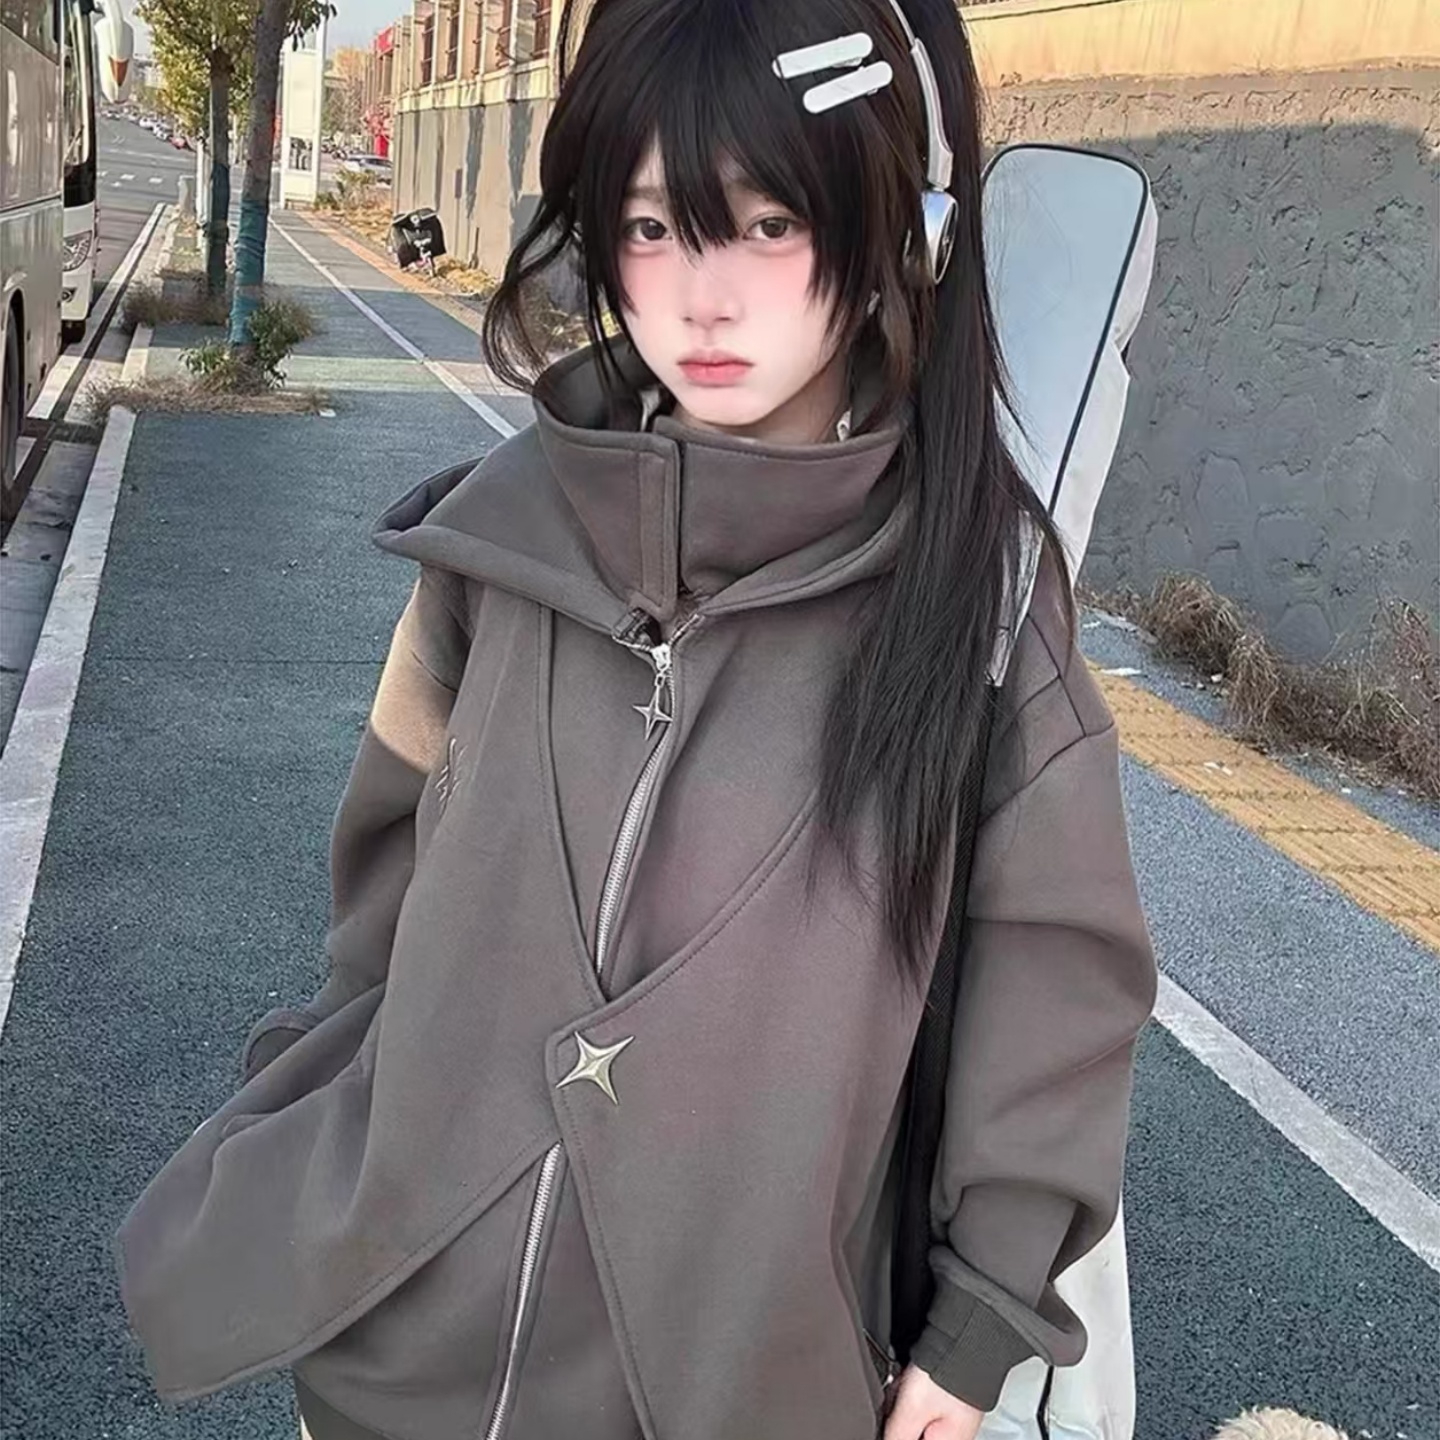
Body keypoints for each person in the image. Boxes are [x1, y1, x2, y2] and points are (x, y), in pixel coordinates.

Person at [113, 1, 1158, 1438]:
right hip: (391, 1365)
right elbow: (381, 909)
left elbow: (1056, 986)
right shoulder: (496, 542)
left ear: (900, 235)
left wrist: (978, 1323)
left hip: (728, 1386)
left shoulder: (975, 618)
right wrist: (324, 1138)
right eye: (655, 227)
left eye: (769, 224)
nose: (701, 300)